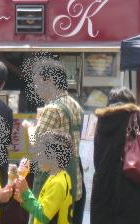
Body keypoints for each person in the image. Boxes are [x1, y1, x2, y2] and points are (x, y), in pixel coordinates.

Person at [91, 87, 140, 224]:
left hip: (103, 186)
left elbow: (97, 157)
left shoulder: (101, 120)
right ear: (131, 102)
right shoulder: (136, 117)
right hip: (131, 185)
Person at [32, 58, 85, 224]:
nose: (36, 87)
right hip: (74, 181)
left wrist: (29, 129)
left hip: (53, 185)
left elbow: (36, 145)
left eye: (38, 82)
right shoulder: (75, 105)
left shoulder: (52, 109)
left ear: (50, 81)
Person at [14, 131, 74, 224]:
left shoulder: (57, 183)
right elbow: (43, 206)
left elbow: (43, 216)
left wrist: (26, 193)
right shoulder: (61, 176)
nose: (38, 156)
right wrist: (24, 199)